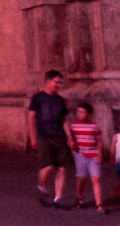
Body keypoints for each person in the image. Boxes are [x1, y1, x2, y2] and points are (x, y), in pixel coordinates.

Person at [27, 69, 73, 209]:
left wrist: (69, 136)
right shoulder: (38, 98)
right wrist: (33, 138)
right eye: (56, 82)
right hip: (44, 136)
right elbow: (31, 118)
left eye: (60, 83)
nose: (58, 85)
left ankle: (57, 198)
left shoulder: (60, 100)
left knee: (61, 169)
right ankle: (41, 187)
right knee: (47, 167)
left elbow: (64, 119)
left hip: (59, 136)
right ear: (48, 81)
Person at [70, 102, 105, 213]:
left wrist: (99, 153)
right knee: (81, 178)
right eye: (78, 111)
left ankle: (99, 204)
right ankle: (79, 197)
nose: (80, 114)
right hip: (80, 155)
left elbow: (99, 141)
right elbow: (70, 139)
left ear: (89, 114)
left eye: (83, 112)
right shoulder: (74, 125)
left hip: (93, 155)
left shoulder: (94, 126)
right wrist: (71, 144)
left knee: (96, 179)